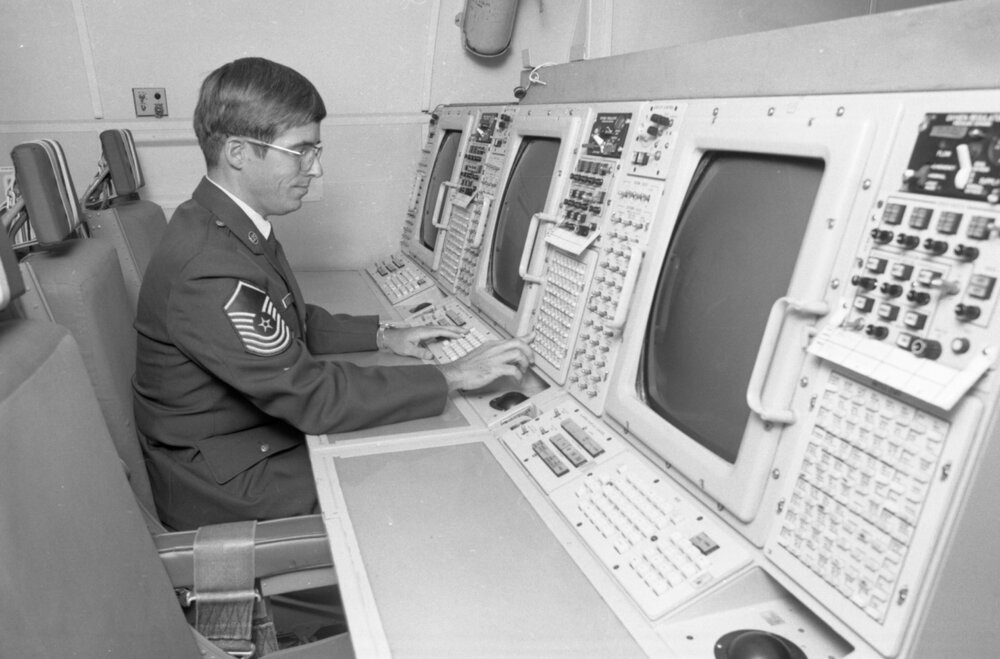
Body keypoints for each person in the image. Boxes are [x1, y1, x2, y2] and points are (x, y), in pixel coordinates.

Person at [133, 57, 532, 531]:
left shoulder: (222, 224)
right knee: (426, 493)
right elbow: (314, 398)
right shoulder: (210, 267)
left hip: (237, 447)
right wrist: (452, 375)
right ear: (238, 152)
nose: (315, 168)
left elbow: (288, 320)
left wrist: (385, 335)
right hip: (227, 486)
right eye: (300, 150)